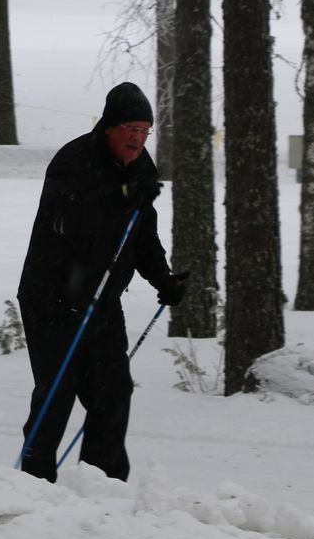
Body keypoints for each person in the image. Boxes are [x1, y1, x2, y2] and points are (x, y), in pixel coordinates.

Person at [15, 82, 186, 482]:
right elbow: (64, 222)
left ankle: (102, 489)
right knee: (57, 394)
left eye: (145, 130)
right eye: (130, 127)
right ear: (109, 126)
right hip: (52, 298)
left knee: (112, 394)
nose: (137, 138)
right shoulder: (74, 160)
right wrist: (120, 195)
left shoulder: (142, 168)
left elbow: (141, 233)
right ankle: (32, 488)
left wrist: (164, 278)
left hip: (102, 302)